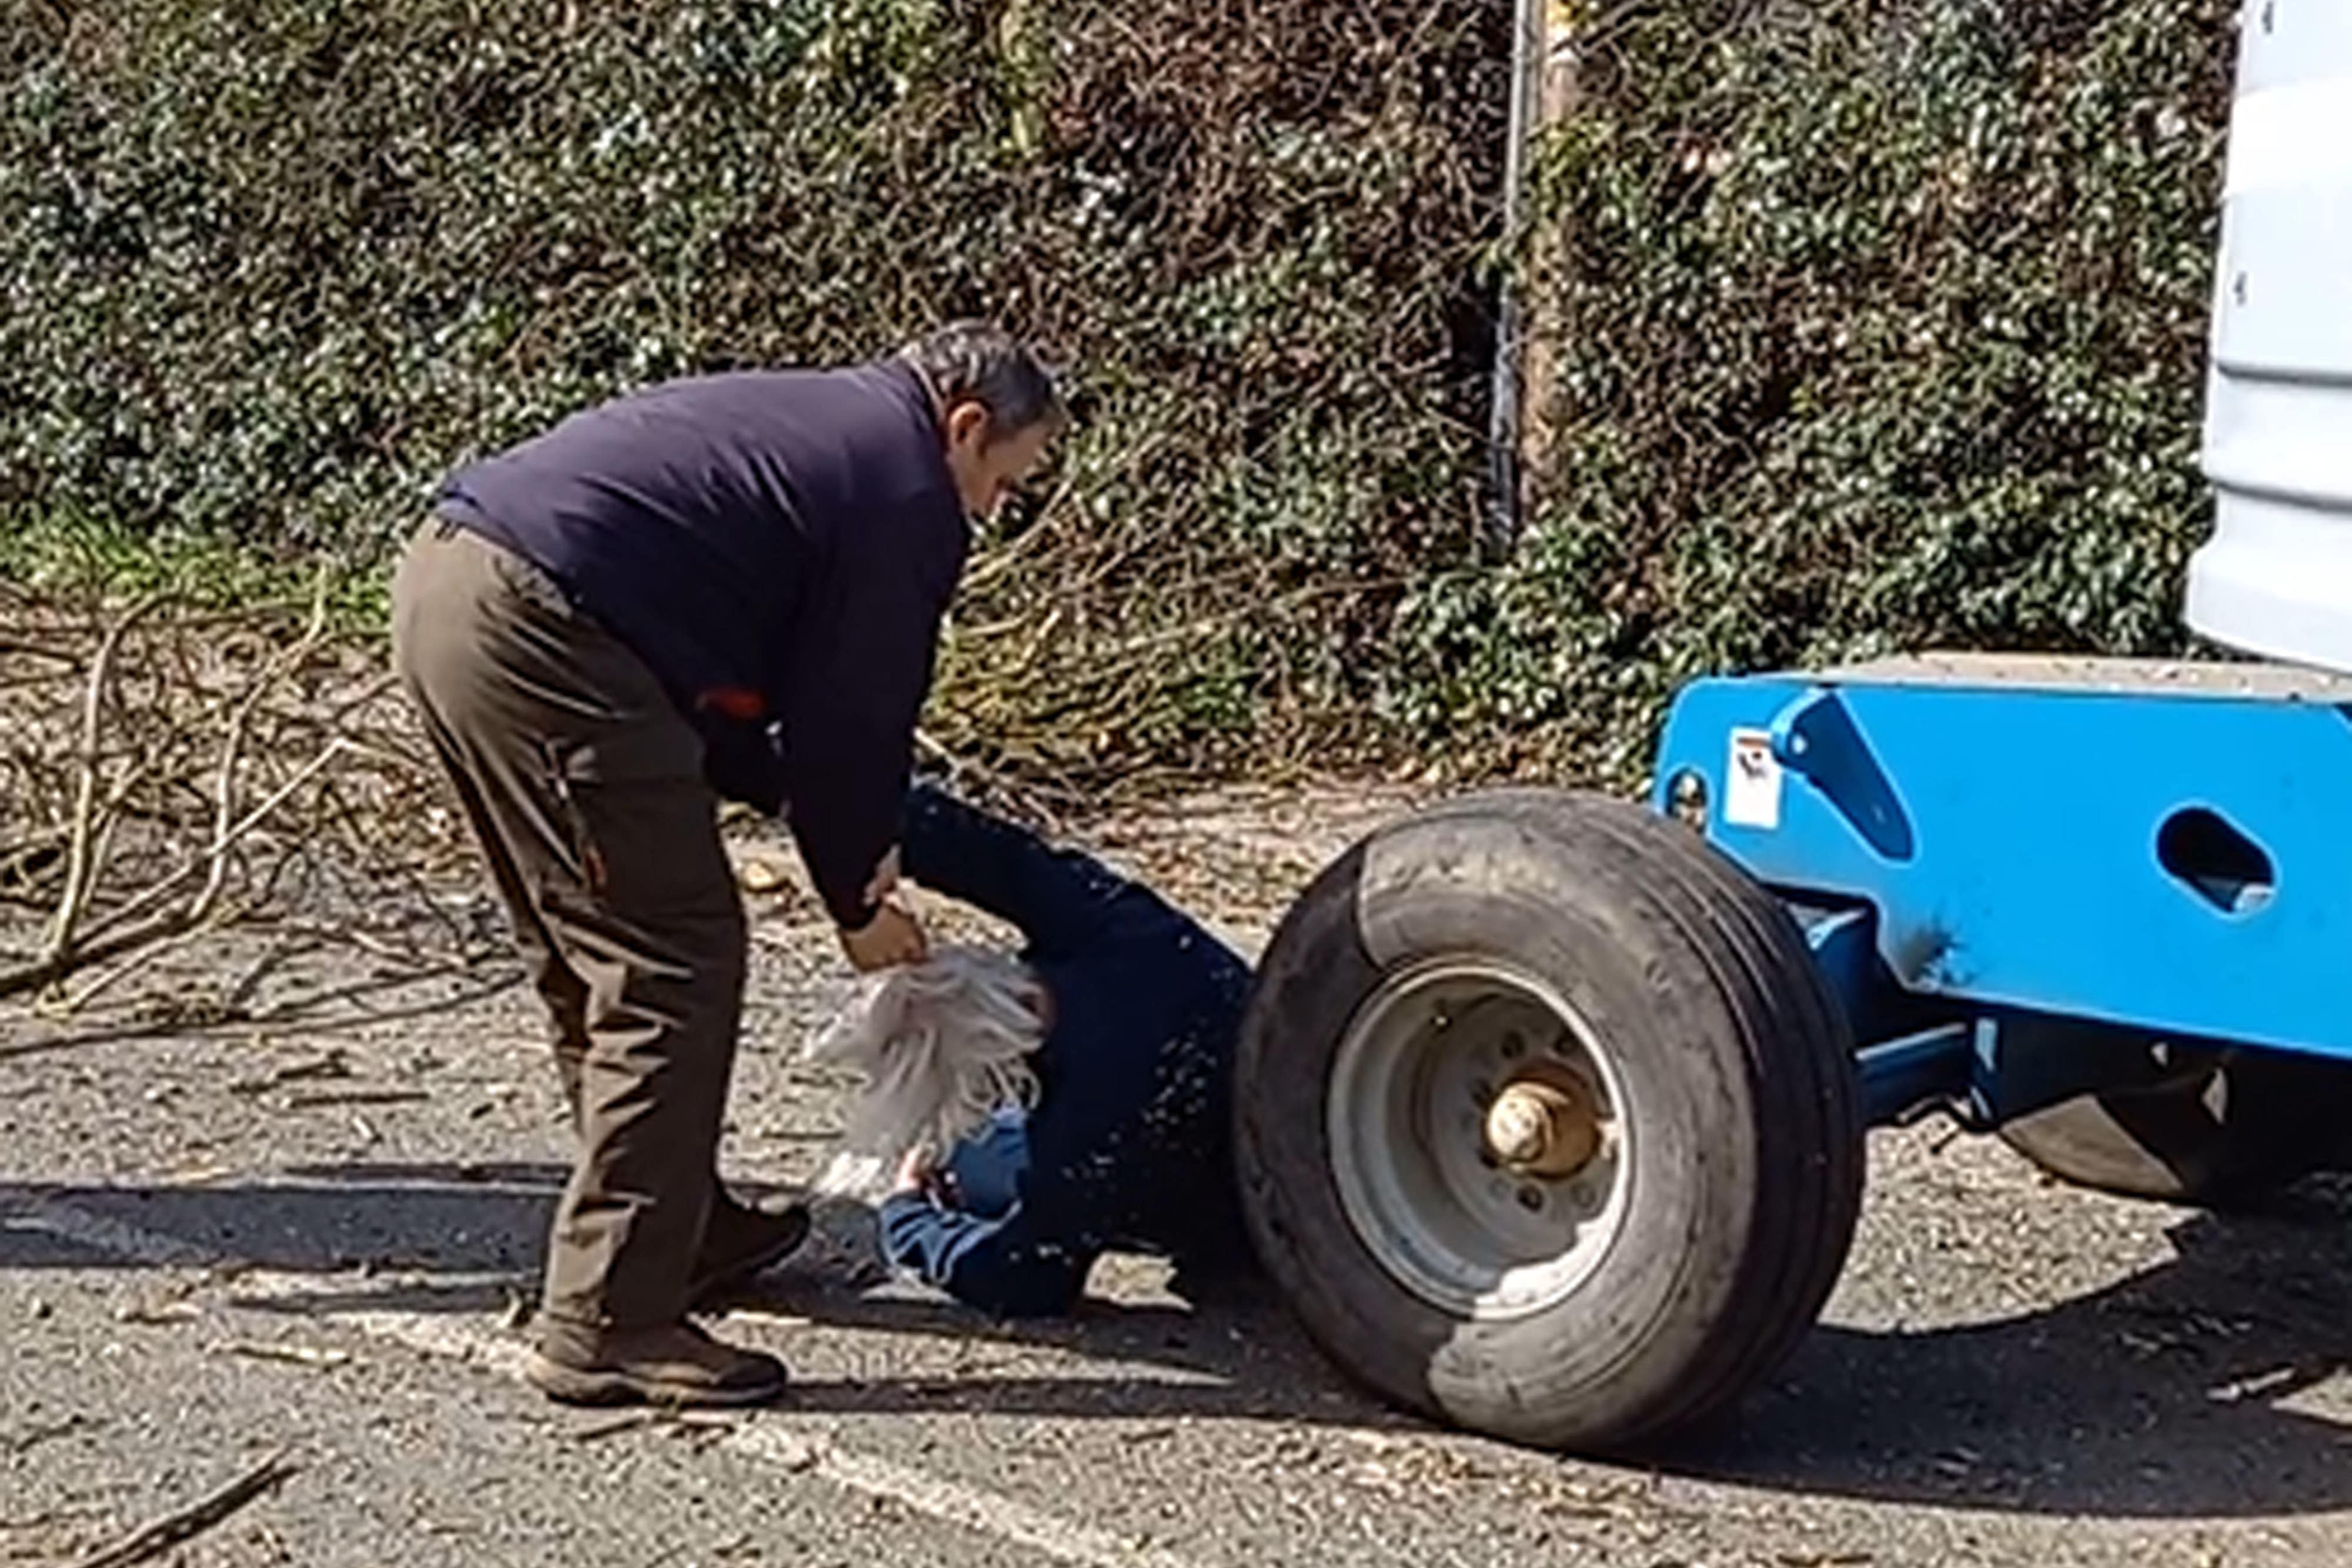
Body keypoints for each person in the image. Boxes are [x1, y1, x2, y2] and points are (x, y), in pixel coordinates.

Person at [389, 323, 1065, 1406]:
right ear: (966, 424)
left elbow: (752, 688)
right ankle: (613, 1317)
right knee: (670, 964)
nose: (989, 511)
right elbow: (853, 717)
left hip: (454, 587)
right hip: (551, 630)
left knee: (592, 954)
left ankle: (680, 1230)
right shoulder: (903, 492)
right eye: (1000, 481)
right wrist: (857, 902)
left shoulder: (832, 428)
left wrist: (806, 811)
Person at [809, 781, 1255, 1318]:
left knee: (971, 1161)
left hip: (1247, 1218)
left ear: (985, 1078)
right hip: (1270, 1074)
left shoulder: (1080, 1151)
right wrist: (867, 842)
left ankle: (950, 1153)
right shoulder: (1116, 928)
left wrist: (907, 1216)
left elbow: (1020, 1280)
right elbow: (1004, 857)